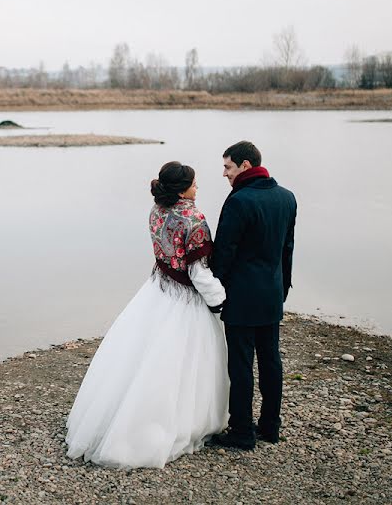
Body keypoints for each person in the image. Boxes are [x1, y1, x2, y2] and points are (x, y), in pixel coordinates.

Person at [65, 161, 229, 468]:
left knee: (138, 355)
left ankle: (113, 419)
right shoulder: (193, 218)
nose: (198, 187)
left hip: (158, 289)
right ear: (183, 188)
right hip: (185, 300)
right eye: (194, 183)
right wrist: (220, 300)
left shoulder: (156, 210)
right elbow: (198, 271)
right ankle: (175, 425)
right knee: (181, 362)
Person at [210, 141, 297, 450]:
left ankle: (242, 432)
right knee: (271, 360)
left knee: (241, 365)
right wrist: (282, 289)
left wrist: (214, 292)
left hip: (242, 298)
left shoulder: (239, 201)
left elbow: (224, 254)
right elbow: (287, 250)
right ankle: (271, 426)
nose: (224, 173)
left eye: (228, 167)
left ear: (245, 166)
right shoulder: (287, 198)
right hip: (272, 293)